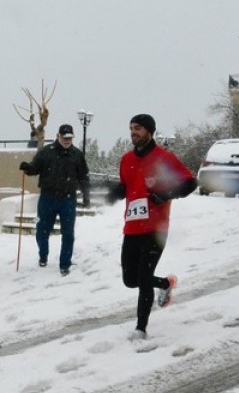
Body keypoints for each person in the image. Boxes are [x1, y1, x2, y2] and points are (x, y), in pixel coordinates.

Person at [106, 114, 196, 341]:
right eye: (131, 128)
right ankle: (165, 283)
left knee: (144, 277)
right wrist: (111, 192)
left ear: (150, 131)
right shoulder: (126, 159)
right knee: (130, 279)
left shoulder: (164, 158)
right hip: (132, 228)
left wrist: (165, 194)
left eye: (138, 128)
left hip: (156, 228)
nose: (133, 132)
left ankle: (140, 328)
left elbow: (189, 183)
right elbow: (126, 186)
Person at [19, 123, 90, 276]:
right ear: (58, 136)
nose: (67, 140)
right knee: (42, 232)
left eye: (70, 138)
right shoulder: (46, 152)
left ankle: (65, 264)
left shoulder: (77, 155)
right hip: (47, 198)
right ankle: (43, 255)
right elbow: (34, 168)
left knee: (68, 234)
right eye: (64, 137)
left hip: (68, 199)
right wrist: (27, 168)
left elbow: (83, 177)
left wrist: (86, 195)